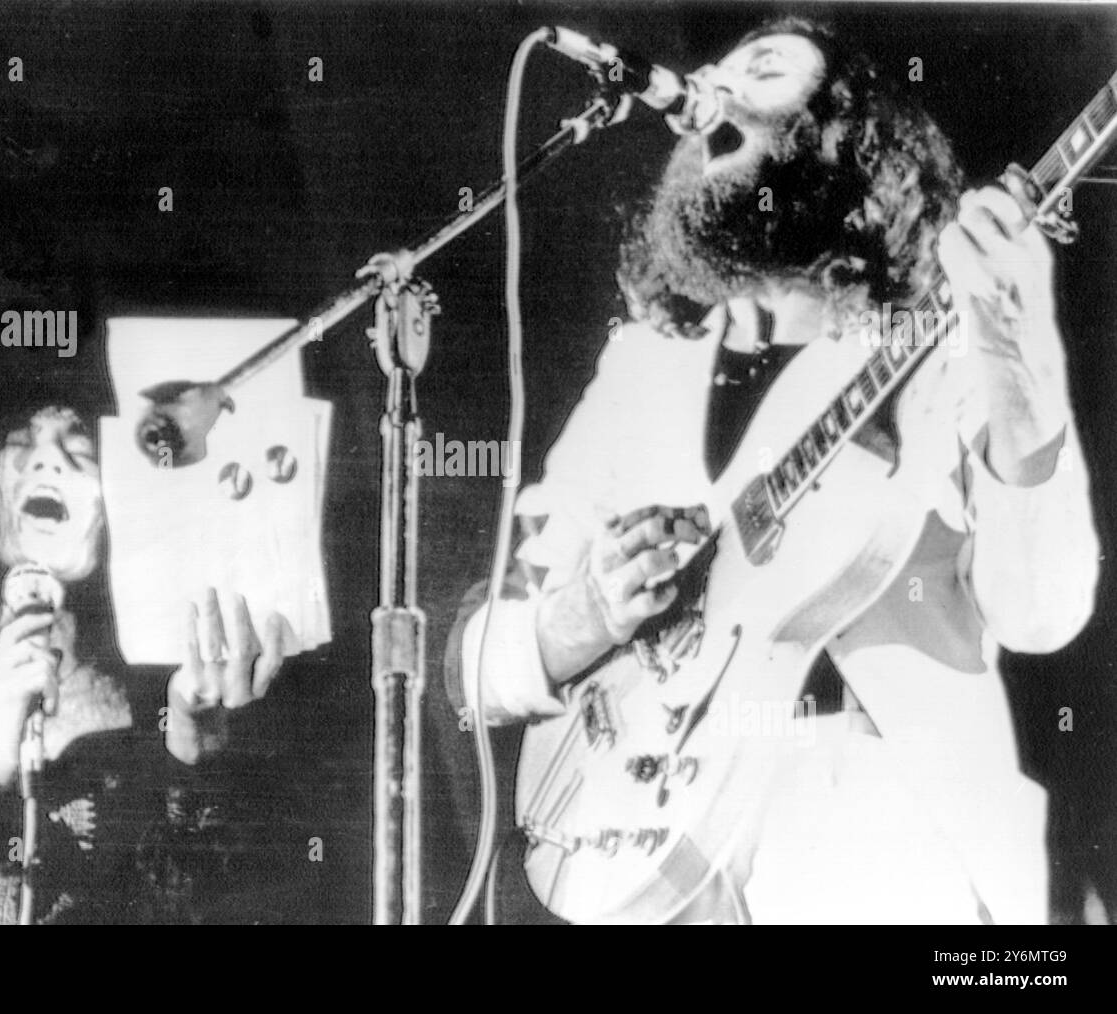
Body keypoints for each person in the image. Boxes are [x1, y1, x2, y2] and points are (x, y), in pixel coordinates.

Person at [446, 17, 1100, 924]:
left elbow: (1043, 611)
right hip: (643, 848)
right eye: (715, 68)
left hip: (883, 849)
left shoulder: (941, 337)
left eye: (762, 68)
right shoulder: (643, 361)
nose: (711, 82)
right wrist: (580, 616)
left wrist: (1022, 357)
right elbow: (480, 664)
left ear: (843, 135)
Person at [0, 398, 287, 923]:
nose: (48, 460)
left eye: (80, 450)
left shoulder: (157, 701)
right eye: (21, 444)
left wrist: (192, 752)